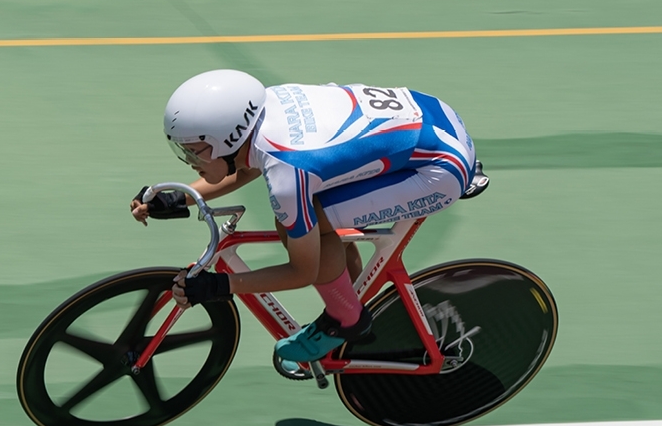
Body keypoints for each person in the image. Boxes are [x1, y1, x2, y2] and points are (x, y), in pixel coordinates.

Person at [130, 69, 482, 365]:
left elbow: (303, 271)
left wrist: (219, 286)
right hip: (433, 118)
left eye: (194, 151)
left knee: (295, 224)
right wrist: (182, 197)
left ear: (230, 137)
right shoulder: (265, 106)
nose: (188, 159)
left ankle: (347, 320)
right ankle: (354, 294)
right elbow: (251, 162)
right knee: (308, 216)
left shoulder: (287, 172)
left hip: (438, 170)